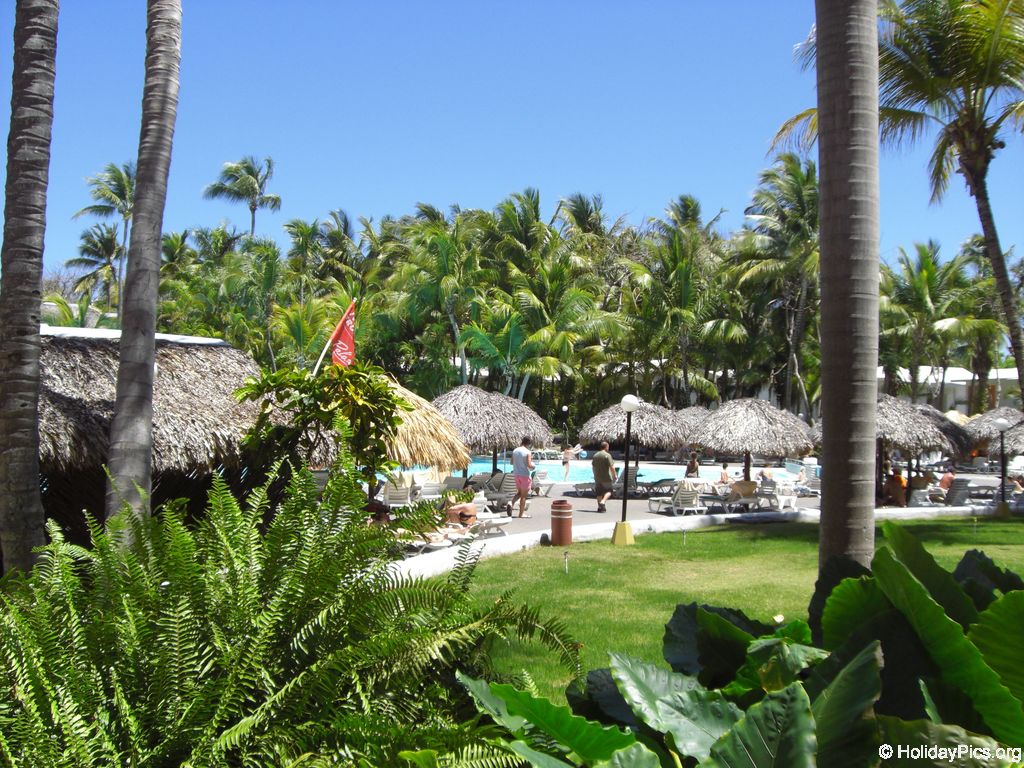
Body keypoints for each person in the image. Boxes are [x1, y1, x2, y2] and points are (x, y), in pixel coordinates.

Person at [510, 436, 535, 518]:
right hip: (524, 475)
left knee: (519, 493)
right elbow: (529, 465)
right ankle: (521, 514)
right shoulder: (527, 452)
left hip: (516, 474)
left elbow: (511, 462)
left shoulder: (515, 450)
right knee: (523, 496)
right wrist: (533, 466)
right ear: (529, 443)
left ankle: (510, 503)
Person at [591, 441, 617, 513]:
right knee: (609, 491)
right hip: (606, 477)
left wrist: (595, 474)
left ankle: (600, 508)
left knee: (599, 493)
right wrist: (614, 475)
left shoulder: (595, 455)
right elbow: (612, 467)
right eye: (608, 447)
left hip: (597, 477)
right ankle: (603, 502)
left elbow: (593, 467)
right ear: (606, 447)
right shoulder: (607, 455)